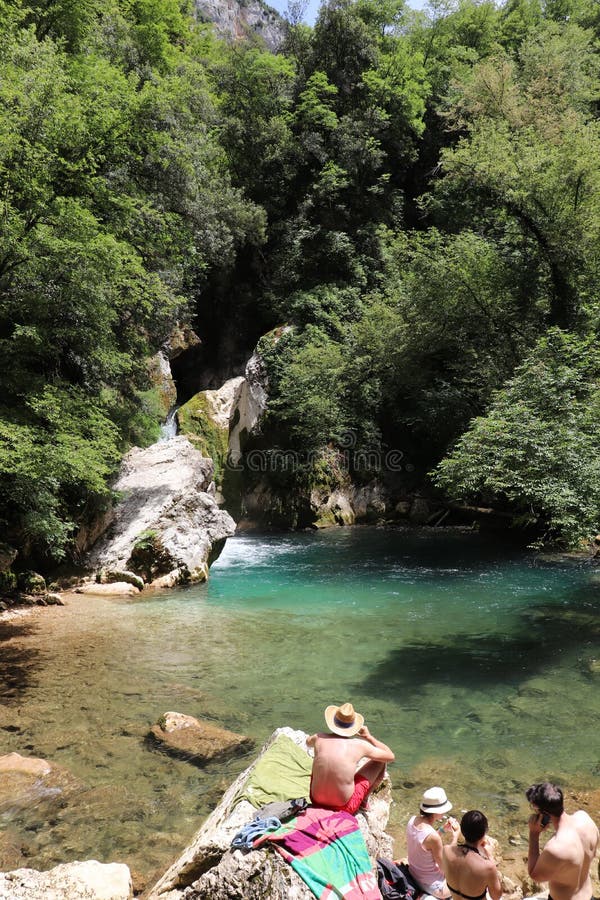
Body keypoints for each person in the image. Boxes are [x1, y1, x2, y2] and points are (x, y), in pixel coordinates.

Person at [306, 701, 395, 814]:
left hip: (315, 801)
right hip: (345, 807)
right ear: (353, 726)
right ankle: (363, 801)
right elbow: (390, 756)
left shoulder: (319, 737)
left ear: (333, 721)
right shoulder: (359, 745)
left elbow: (308, 742)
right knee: (380, 762)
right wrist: (369, 737)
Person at [526, 781, 599, 900]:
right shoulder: (585, 818)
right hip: (589, 896)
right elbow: (594, 852)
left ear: (541, 812)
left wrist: (533, 834)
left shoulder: (555, 848)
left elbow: (535, 875)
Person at [406, 787, 460, 899]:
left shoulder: (412, 820)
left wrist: (442, 830)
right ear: (437, 812)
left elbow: (425, 843)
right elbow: (444, 868)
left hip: (414, 874)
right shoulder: (433, 837)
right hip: (433, 886)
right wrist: (455, 837)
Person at [443, 810, 503, 900]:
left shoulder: (446, 850)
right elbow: (496, 896)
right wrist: (490, 857)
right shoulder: (488, 867)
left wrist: (455, 836)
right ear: (484, 834)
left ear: (462, 830)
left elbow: (453, 847)